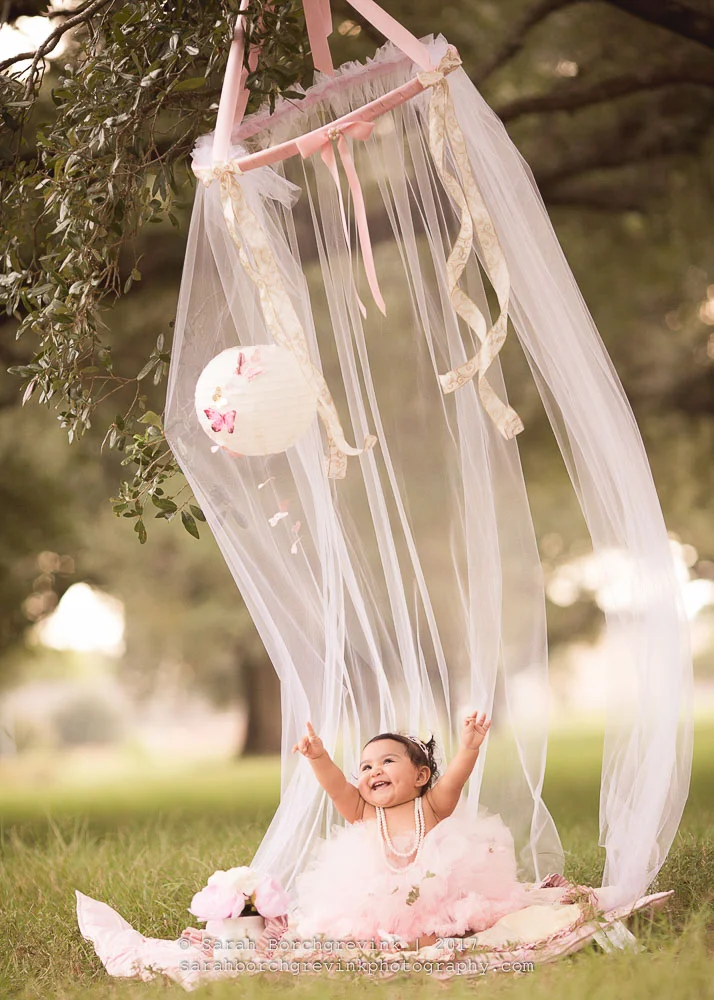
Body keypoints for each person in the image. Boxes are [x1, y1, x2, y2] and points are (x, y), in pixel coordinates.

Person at [289, 714, 552, 946]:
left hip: (434, 893)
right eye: (366, 767)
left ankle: (427, 938)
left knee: (450, 924)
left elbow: (454, 779)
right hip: (377, 897)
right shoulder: (363, 811)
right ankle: (392, 939)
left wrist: (469, 747)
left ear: (421, 776)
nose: (375, 771)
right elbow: (336, 786)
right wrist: (318, 757)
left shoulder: (430, 807)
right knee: (355, 930)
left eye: (387, 761)